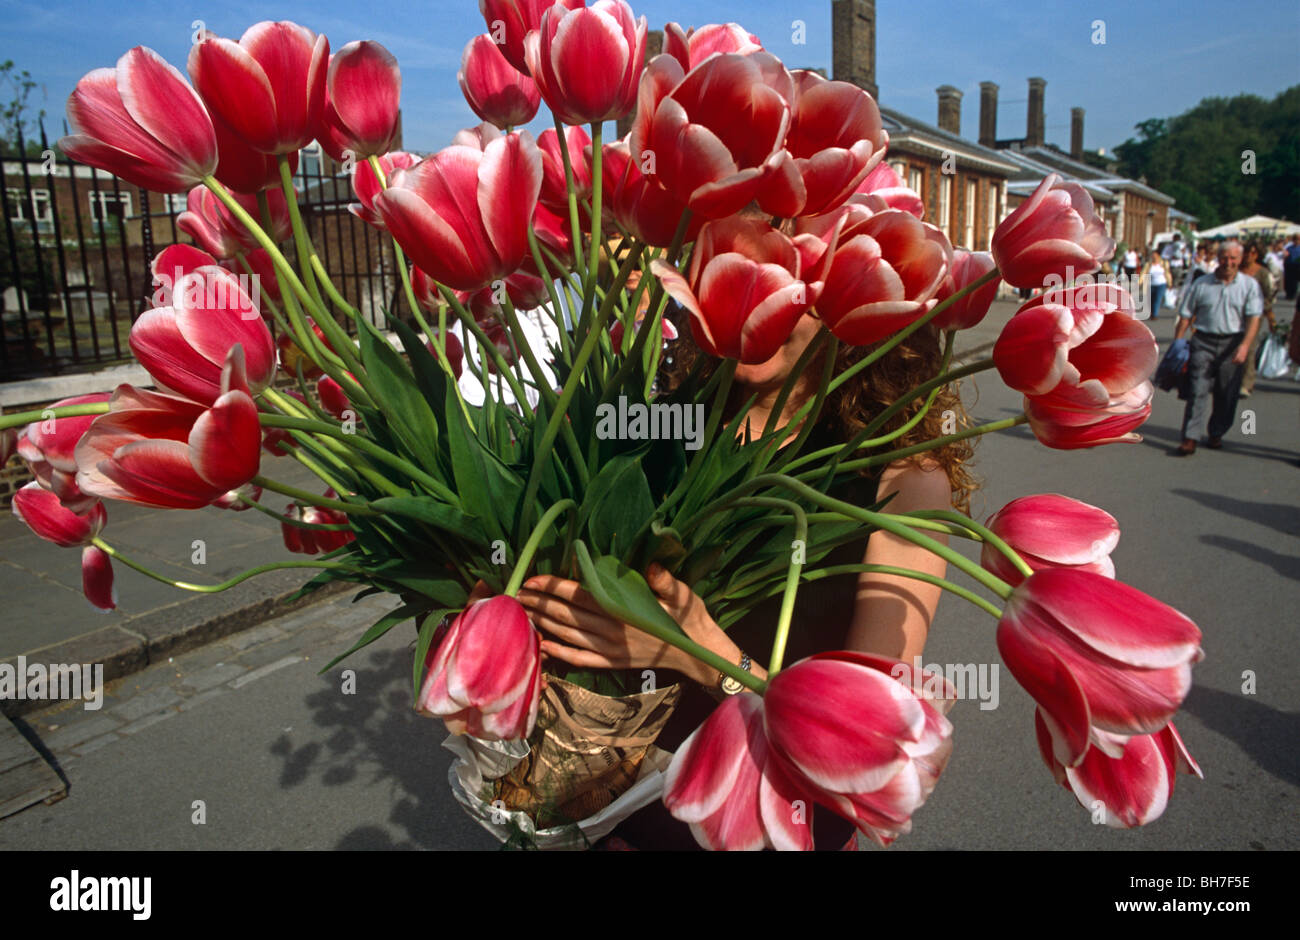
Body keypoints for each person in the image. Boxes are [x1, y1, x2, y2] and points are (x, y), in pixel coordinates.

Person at [515, 302, 977, 850]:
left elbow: (866, 729)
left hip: (777, 813)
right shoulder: (655, 428)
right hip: (623, 811)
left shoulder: (902, 479)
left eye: (794, 287)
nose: (762, 305)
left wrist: (700, 653)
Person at [1171, 240, 1263, 454]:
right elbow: (1185, 315)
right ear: (1217, 258)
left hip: (1233, 343)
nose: (1228, 263)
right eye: (1224, 258)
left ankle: (1216, 431)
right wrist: (1177, 342)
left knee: (1226, 392)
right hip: (1203, 341)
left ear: (1240, 260)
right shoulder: (1202, 284)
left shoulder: (1249, 286)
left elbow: (1253, 319)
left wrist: (1245, 346)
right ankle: (1190, 437)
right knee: (1197, 390)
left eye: (1233, 258)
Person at [1239, 240, 1277, 398]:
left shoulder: (1263, 273)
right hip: (1234, 313)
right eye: (1247, 252)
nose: (1249, 255)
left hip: (1254, 316)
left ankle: (1246, 383)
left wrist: (1270, 318)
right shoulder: (1237, 270)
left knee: (1249, 348)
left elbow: (1270, 296)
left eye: (1253, 253)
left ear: (1258, 255)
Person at [1144, 247, 1170, 320]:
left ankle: (1154, 314)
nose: (1153, 256)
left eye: (1154, 254)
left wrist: (1169, 283)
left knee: (1157, 299)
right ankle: (1151, 312)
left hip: (1161, 284)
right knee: (1150, 299)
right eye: (1152, 255)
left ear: (1158, 255)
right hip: (1151, 284)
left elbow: (1167, 273)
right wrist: (1139, 282)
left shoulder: (1163, 263)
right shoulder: (1148, 264)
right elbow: (1143, 273)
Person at [1284, 233, 1300, 300]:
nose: (1296, 241)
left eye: (1298, 239)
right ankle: (1289, 294)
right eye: (1295, 239)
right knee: (1290, 281)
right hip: (1289, 266)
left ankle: (1293, 294)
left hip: (1298, 265)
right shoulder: (1289, 248)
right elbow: (1285, 255)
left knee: (1295, 282)